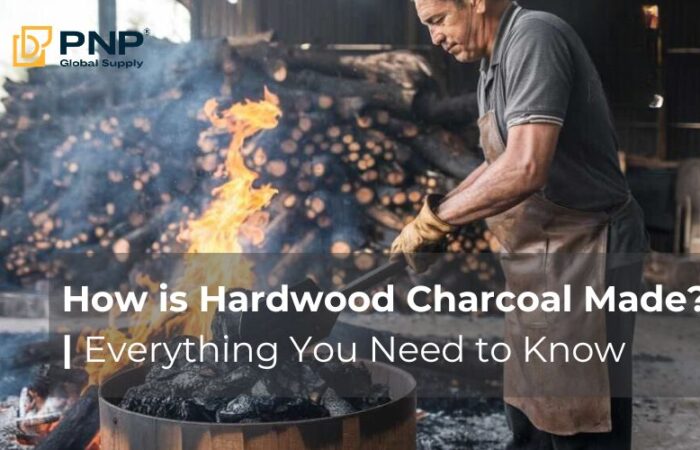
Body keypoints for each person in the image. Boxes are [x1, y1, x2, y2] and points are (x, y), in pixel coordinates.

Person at [391, 1, 649, 448]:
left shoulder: (534, 37)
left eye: (438, 20)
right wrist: (433, 217)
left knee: (580, 419)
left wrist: (440, 221)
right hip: (541, 256)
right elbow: (498, 163)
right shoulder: (493, 64)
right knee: (533, 410)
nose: (434, 37)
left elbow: (527, 166)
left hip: (589, 249)